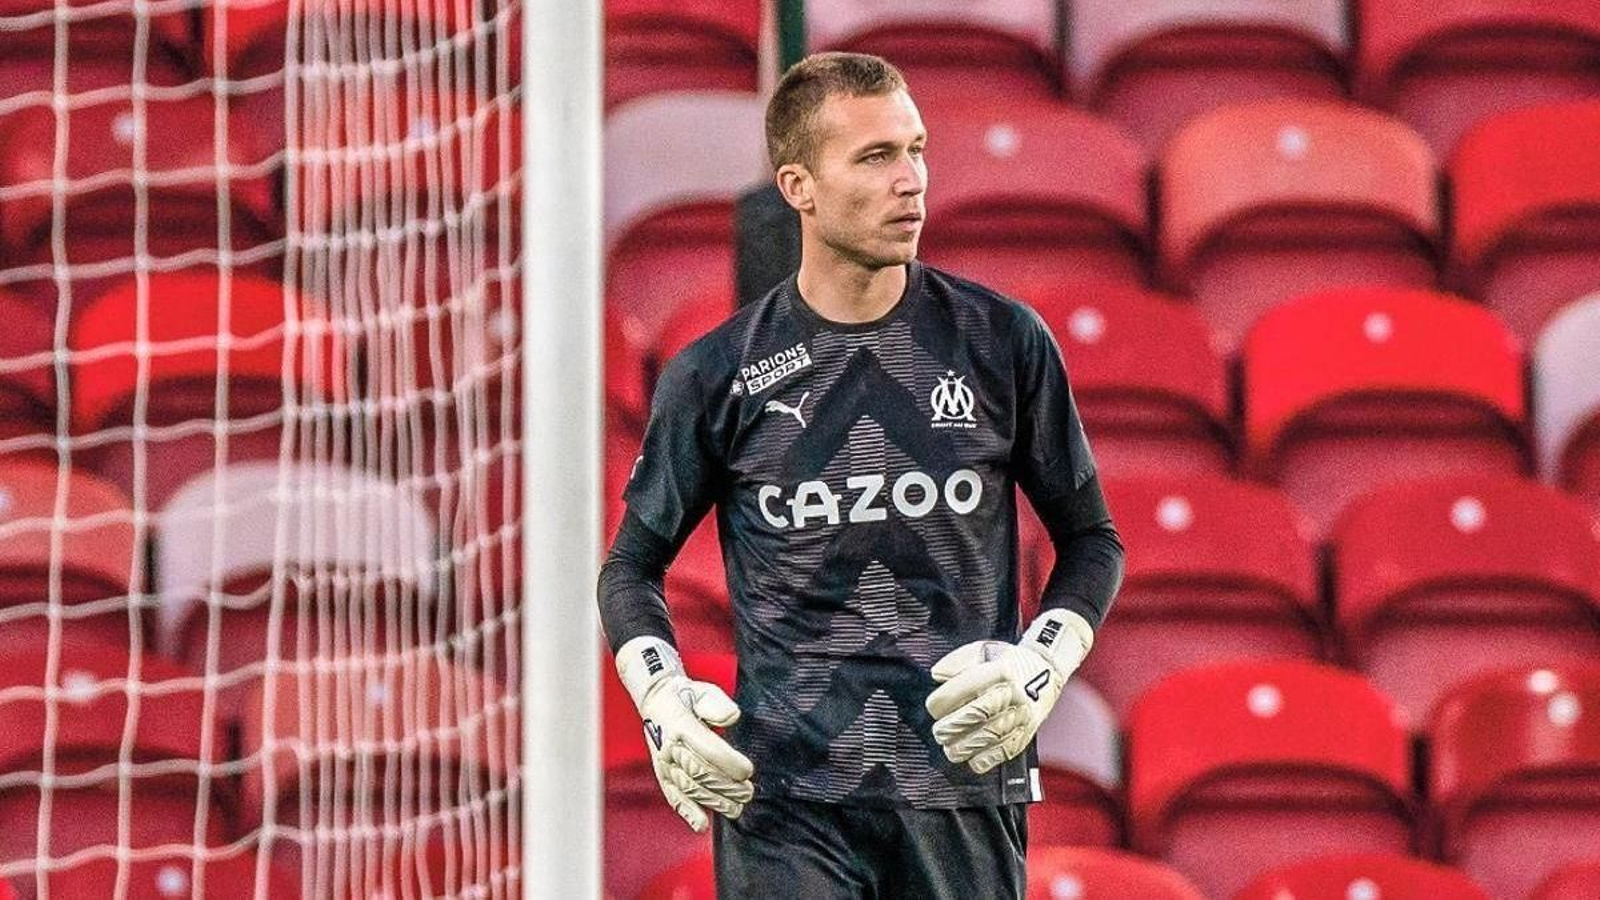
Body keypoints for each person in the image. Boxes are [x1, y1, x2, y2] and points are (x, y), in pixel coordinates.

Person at [597, 51, 1124, 898]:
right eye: (876, 157)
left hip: (960, 789)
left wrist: (1045, 665)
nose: (911, 180)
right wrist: (660, 698)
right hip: (787, 803)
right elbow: (631, 565)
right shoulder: (718, 374)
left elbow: (1092, 541)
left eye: (915, 150)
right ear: (798, 185)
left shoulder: (1002, 343)